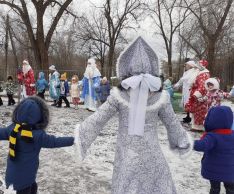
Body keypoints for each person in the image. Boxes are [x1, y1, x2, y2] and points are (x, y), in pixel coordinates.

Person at [74, 37, 192, 194]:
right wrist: (184, 143)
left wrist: (81, 135)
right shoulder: (160, 97)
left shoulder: (119, 96)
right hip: (152, 156)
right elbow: (173, 124)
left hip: (126, 156)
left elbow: (98, 119)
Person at [0, 96, 74, 194]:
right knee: (26, 188)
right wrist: (73, 140)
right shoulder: (38, 135)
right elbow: (56, 141)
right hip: (28, 173)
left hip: (15, 171)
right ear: (40, 116)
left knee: (32, 186)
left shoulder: (12, 129)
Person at [194, 106, 234, 194]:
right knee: (231, 188)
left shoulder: (213, 136)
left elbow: (201, 145)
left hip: (214, 171)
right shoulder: (232, 134)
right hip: (230, 171)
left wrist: (189, 143)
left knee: (215, 189)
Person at [185, 59, 211, 132]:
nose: (194, 68)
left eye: (196, 67)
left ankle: (199, 127)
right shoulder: (199, 73)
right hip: (196, 95)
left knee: (200, 112)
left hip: (200, 97)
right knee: (195, 111)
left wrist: (196, 95)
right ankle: (195, 126)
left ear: (200, 67)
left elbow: (203, 87)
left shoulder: (204, 74)